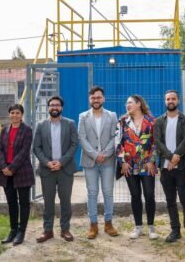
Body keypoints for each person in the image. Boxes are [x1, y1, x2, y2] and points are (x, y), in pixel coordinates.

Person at [32, 96, 79, 243]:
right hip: (47, 170)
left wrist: (61, 162)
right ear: (48, 107)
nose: (54, 107)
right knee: (48, 202)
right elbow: (36, 147)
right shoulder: (40, 125)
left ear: (61, 108)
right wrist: (47, 163)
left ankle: (65, 230)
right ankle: (48, 231)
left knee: (65, 201)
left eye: (57, 105)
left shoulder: (70, 124)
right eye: (52, 105)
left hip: (65, 169)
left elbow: (74, 145)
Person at [154, 90, 185, 243]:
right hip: (165, 168)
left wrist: (176, 157)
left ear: (178, 100)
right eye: (168, 99)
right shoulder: (159, 121)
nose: (170, 101)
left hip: (181, 167)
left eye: (173, 98)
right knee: (170, 200)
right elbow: (157, 142)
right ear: (165, 101)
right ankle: (175, 230)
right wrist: (170, 157)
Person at [78, 86, 119, 239]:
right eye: (93, 98)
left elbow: (116, 136)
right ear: (90, 99)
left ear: (103, 99)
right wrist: (95, 155)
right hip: (90, 161)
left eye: (98, 97)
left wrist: (106, 153)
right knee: (92, 193)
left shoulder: (112, 116)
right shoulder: (83, 116)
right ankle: (93, 224)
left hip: (108, 161)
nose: (96, 100)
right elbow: (81, 138)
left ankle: (108, 223)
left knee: (108, 192)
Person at [117, 94, 158, 240]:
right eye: (126, 103)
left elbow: (155, 143)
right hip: (130, 165)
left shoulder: (152, 121)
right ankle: (138, 227)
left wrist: (151, 160)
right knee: (135, 196)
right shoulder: (122, 122)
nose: (127, 105)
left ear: (139, 104)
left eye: (130, 103)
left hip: (147, 166)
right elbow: (118, 143)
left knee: (149, 195)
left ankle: (152, 227)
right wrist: (123, 162)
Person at [0, 104, 35, 246]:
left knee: (23, 203)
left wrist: (12, 167)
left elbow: (25, 151)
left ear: (22, 115)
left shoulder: (27, 130)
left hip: (22, 171)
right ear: (9, 115)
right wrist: (4, 167)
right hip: (6, 172)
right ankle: (13, 230)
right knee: (11, 202)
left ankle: (21, 232)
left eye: (17, 113)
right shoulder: (5, 130)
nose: (14, 115)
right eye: (12, 112)